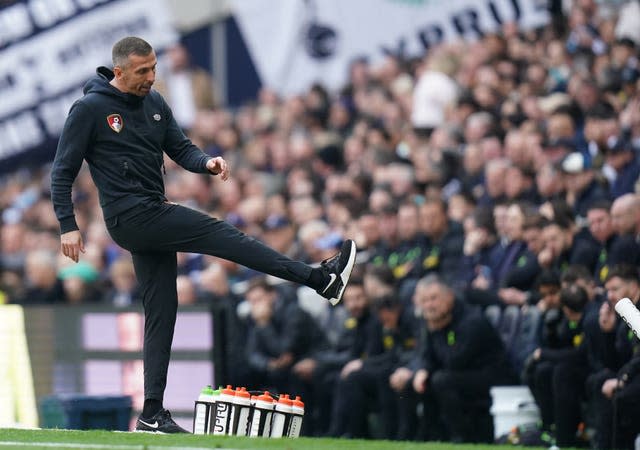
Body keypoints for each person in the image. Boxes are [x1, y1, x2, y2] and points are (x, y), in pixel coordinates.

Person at [49, 36, 357, 434]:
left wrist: (206, 162)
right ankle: (320, 279)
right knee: (226, 237)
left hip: (150, 217)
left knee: (162, 312)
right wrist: (67, 225)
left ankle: (151, 412)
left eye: (154, 67)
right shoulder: (89, 109)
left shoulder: (155, 103)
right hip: (132, 217)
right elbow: (61, 171)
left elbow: (181, 147)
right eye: (143, 71)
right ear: (119, 71)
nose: (151, 76)